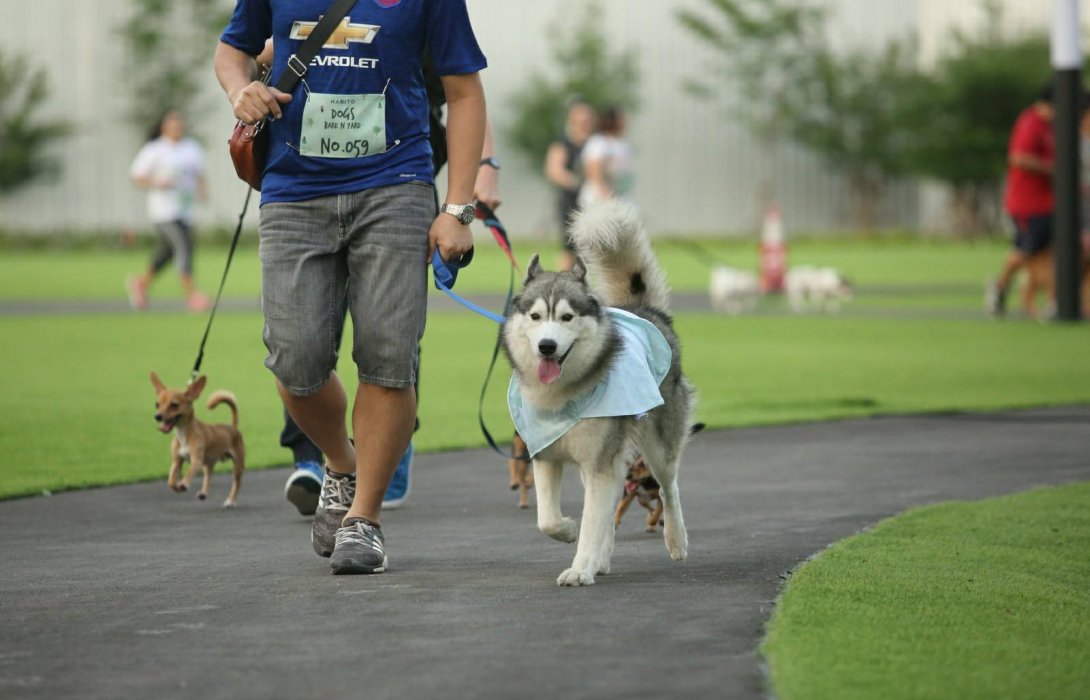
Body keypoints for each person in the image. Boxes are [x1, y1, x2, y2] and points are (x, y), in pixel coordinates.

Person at [215, 0, 487, 575]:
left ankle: (363, 519)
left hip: (396, 185)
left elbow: (464, 92)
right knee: (295, 359)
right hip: (293, 190)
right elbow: (231, 50)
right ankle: (342, 462)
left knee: (389, 355)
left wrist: (458, 208)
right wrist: (240, 89)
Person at [277, 39, 503, 517]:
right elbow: (246, 50)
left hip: (401, 178)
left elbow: (466, 89)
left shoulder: (418, 16)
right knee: (303, 342)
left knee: (390, 336)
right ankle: (316, 458)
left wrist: (482, 174)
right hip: (305, 182)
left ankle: (389, 461)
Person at [126, 111, 211, 312]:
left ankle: (141, 284)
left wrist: (202, 190)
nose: (177, 129)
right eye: (173, 125)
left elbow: (199, 174)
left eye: (179, 125)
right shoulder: (155, 150)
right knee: (183, 246)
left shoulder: (191, 148)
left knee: (166, 253)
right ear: (164, 128)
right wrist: (158, 182)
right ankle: (192, 296)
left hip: (185, 209)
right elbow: (137, 176)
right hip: (163, 212)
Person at [987, 81, 1056, 318]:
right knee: (1028, 250)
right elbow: (1018, 157)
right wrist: (1052, 169)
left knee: (1042, 251)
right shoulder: (1031, 123)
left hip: (1047, 201)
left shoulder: (1050, 126)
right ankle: (999, 287)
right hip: (1027, 202)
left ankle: (1046, 301)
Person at [544, 100, 596, 271]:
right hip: (571, 202)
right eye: (581, 119)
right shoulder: (563, 143)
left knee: (594, 248)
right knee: (570, 247)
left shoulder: (596, 144)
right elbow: (554, 170)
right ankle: (564, 285)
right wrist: (578, 183)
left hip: (594, 202)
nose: (585, 123)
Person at [577, 105, 635, 210]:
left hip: (619, 194)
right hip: (599, 195)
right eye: (622, 118)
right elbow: (593, 170)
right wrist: (604, 193)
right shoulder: (598, 142)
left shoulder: (623, 144)